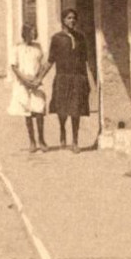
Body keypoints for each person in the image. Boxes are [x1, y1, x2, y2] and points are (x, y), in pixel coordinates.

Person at [36, 8, 91, 153]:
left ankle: (75, 141)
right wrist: (39, 78)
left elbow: (85, 61)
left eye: (74, 18)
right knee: (62, 110)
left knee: (76, 110)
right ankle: (62, 130)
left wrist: (87, 81)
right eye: (68, 18)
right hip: (62, 78)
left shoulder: (81, 38)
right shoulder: (56, 38)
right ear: (63, 20)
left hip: (77, 78)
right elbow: (50, 61)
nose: (72, 21)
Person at [7, 24, 48, 152]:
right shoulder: (17, 48)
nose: (33, 35)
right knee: (28, 112)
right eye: (30, 32)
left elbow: (42, 65)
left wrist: (38, 78)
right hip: (23, 83)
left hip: (36, 83)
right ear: (25, 33)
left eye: (34, 32)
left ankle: (41, 139)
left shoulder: (38, 47)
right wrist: (25, 80)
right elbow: (14, 67)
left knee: (39, 110)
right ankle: (32, 141)